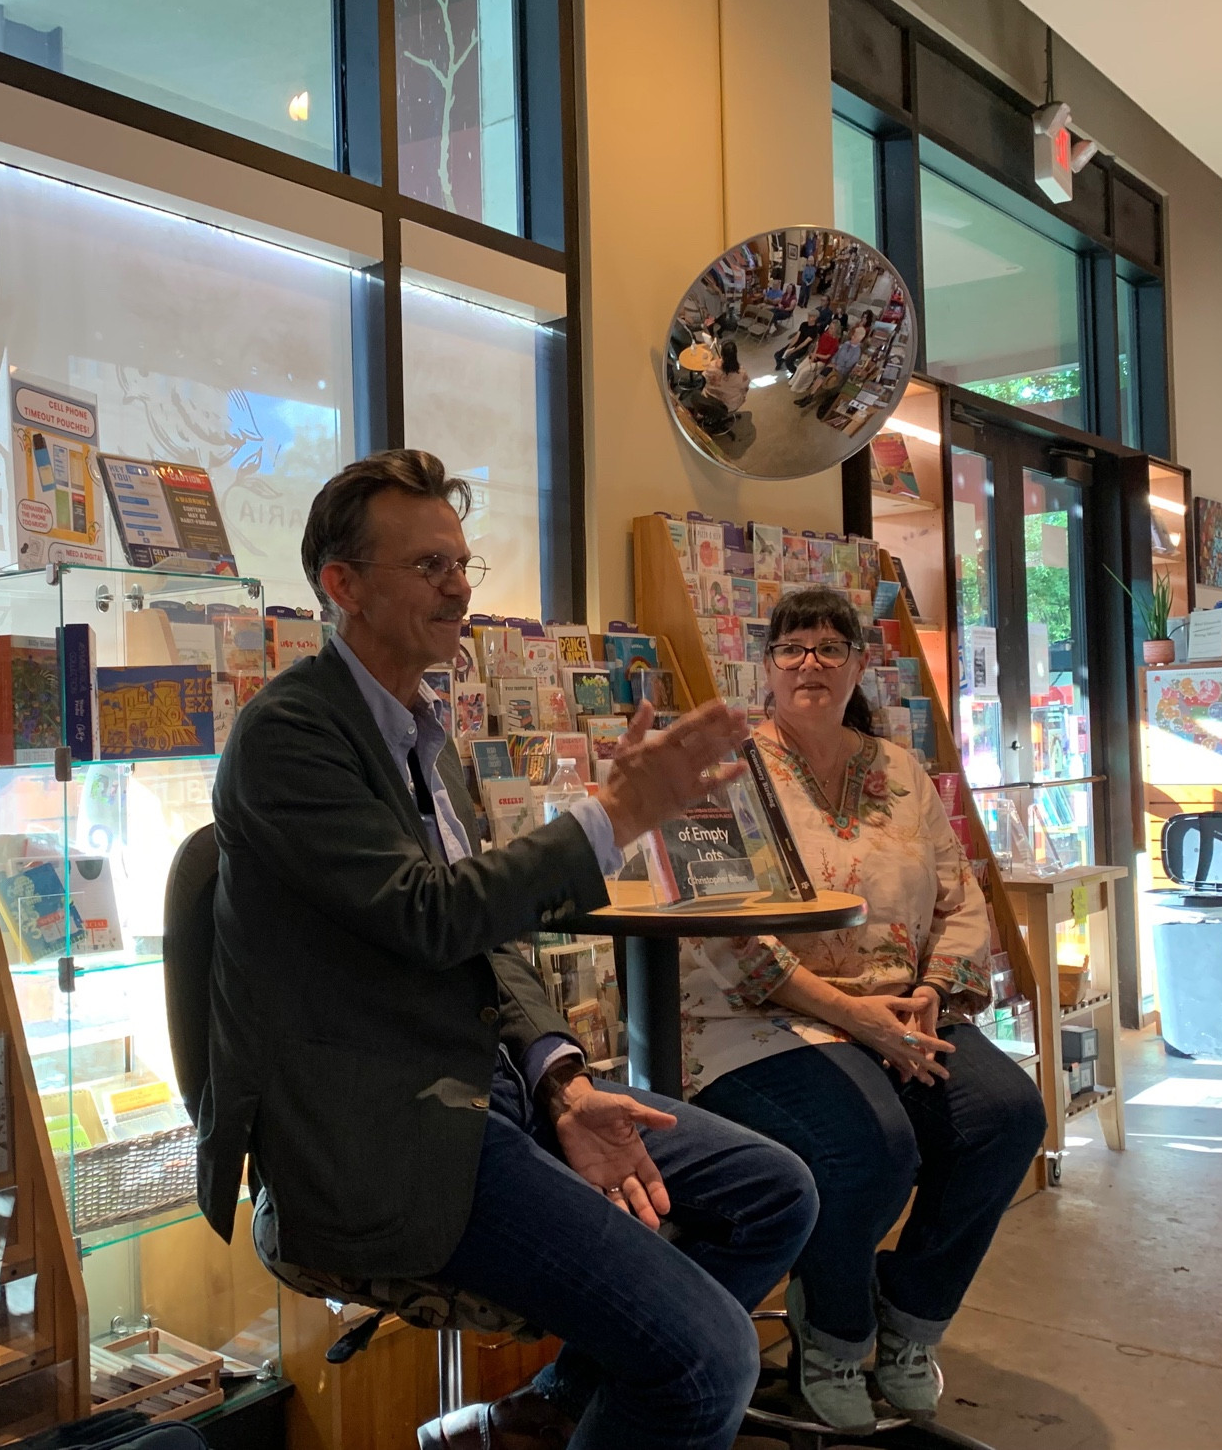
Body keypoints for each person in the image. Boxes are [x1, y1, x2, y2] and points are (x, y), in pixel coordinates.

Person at [204, 451, 818, 1450]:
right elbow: (431, 915)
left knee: (770, 1194)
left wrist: (561, 1079)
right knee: (708, 1361)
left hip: (491, 1097)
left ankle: (546, 1414)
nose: (456, 586)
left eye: (460, 562)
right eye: (426, 567)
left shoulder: (424, 736)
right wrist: (616, 811)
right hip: (389, 1136)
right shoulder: (289, 736)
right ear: (342, 586)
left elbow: (485, 944)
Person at [680, 587, 1046, 1432]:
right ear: (766, 667)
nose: (811, 662)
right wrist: (856, 1018)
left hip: (906, 1013)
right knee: (870, 1147)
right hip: (762, 1020)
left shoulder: (902, 772)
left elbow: (961, 899)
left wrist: (928, 994)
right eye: (792, 648)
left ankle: (909, 1319)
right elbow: (722, 930)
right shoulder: (726, 769)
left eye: (829, 647)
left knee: (1006, 1115)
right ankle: (834, 1329)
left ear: (858, 665)